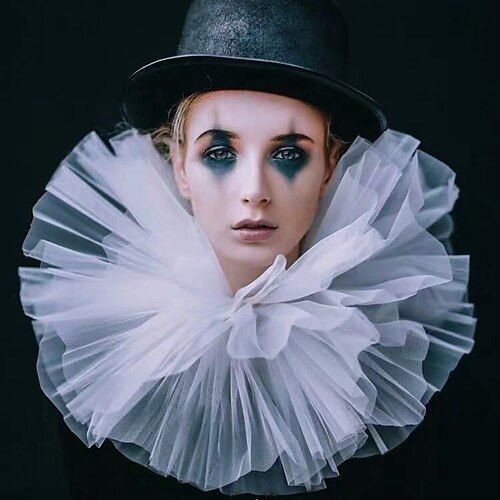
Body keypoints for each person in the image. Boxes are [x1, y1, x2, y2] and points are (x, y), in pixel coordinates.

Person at [17, 0, 476, 497]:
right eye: (219, 153)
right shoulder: (106, 350)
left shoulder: (394, 346)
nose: (254, 188)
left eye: (288, 153)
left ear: (329, 166)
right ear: (178, 166)